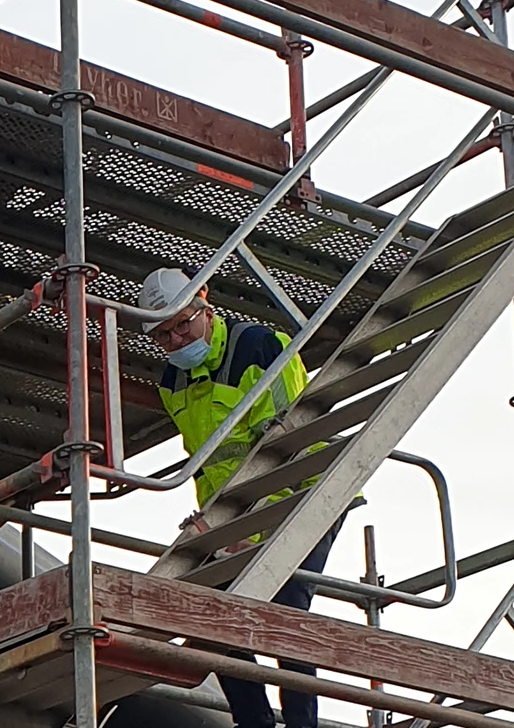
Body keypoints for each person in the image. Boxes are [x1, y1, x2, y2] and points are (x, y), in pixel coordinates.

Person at [139, 267, 342, 728]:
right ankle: (253, 722)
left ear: (205, 303)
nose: (176, 340)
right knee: (216, 612)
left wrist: (258, 525)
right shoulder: (172, 382)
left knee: (285, 607)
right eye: (164, 336)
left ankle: (303, 724)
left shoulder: (259, 346)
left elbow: (292, 440)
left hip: (307, 492)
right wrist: (211, 524)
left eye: (182, 325)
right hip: (234, 512)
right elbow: (207, 461)